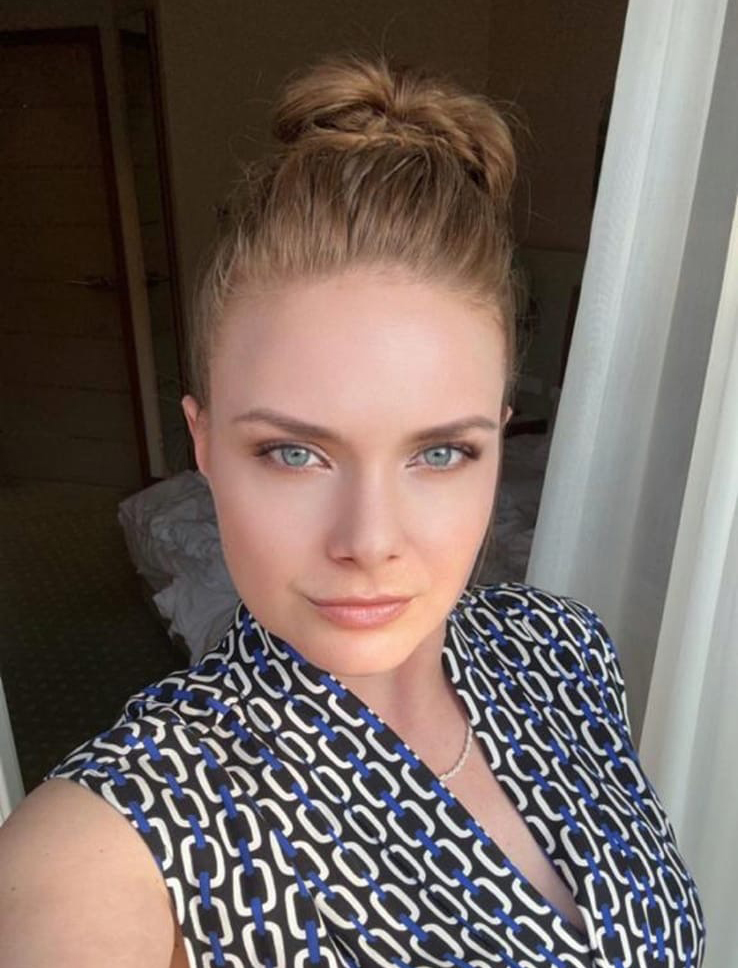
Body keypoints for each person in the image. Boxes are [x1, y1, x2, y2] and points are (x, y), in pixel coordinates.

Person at [0, 54, 706, 968]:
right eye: (294, 453)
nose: (369, 541)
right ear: (203, 442)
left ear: (497, 440)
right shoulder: (116, 838)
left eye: (440, 453)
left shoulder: (563, 652)